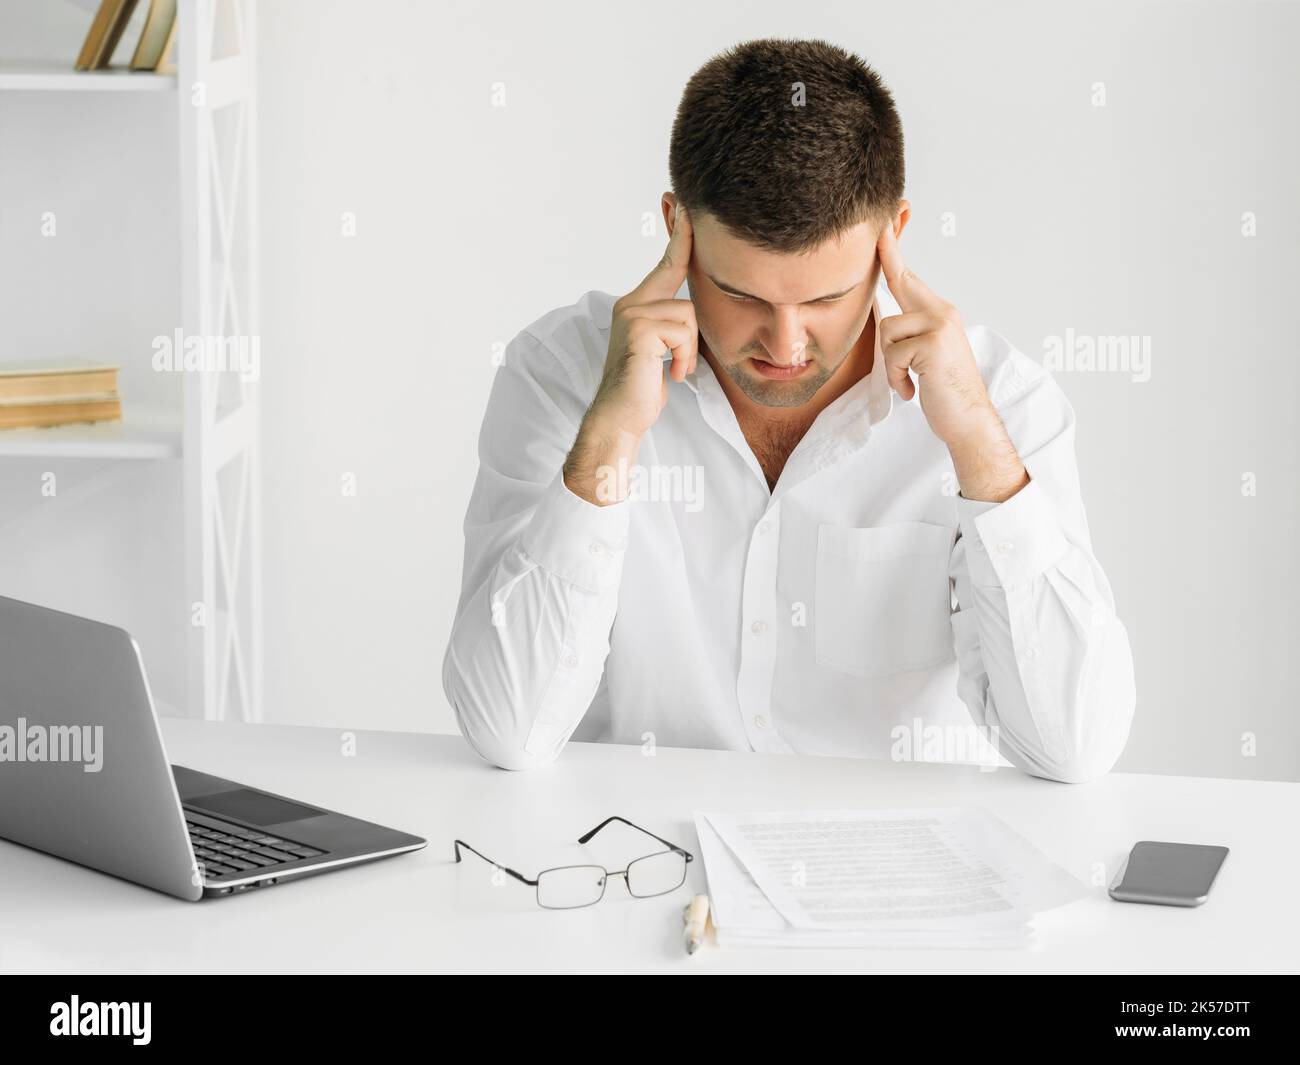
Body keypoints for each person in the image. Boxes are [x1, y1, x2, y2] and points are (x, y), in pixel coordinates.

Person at [443, 38, 1135, 782]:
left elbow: (1075, 748)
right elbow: (506, 730)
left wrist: (976, 446)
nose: (786, 343)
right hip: (642, 869)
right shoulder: (561, 376)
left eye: (827, 299)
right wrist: (610, 436)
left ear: (892, 237)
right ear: (677, 227)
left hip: (903, 877)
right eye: (742, 295)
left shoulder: (1003, 402)